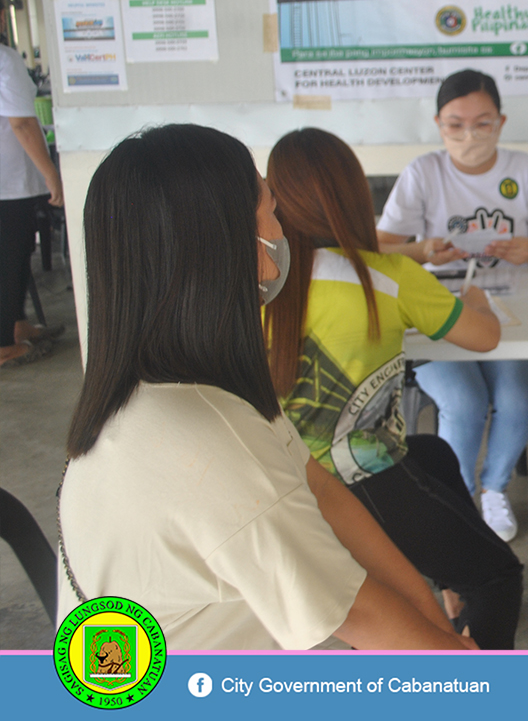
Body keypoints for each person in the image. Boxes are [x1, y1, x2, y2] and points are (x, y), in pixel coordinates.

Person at [57, 124, 475, 651]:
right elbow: (360, 617)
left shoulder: (172, 389)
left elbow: (321, 487)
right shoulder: (209, 442)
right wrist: (469, 671)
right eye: (272, 212)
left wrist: (433, 617)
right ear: (227, 245)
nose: (282, 232)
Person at [264, 127, 524, 649]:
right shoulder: (388, 277)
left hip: (292, 484)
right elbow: (485, 337)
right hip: (362, 485)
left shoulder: (265, 283)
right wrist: (472, 298)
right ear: (356, 196)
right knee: (499, 577)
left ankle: (448, 588)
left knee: (434, 454)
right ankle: (481, 686)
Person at [376, 69, 528, 541]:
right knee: (465, 401)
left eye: (482, 123)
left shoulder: (522, 169)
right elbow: (379, 249)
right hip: (436, 307)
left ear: (501, 122)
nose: (469, 135)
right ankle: (456, 496)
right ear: (439, 124)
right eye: (455, 125)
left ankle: (494, 488)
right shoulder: (424, 172)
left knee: (519, 398)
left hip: (515, 307)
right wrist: (423, 251)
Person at [0, 42, 64, 368]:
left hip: (8, 183)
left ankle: (16, 325)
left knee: (18, 256)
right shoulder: (5, 59)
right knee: (10, 261)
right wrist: (51, 174)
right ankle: (4, 346)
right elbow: (22, 123)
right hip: (7, 183)